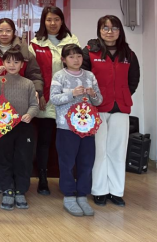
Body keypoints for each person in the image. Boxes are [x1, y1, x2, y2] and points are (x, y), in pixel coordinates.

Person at [0, 18, 43, 195]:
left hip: (20, 110)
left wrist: (36, 91)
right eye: (0, 31)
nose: (4, 34)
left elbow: (35, 74)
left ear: (14, 32)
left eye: (8, 31)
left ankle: (15, 185)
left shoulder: (25, 52)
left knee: (19, 152)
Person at [82, 15, 140, 207]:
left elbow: (133, 80)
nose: (109, 32)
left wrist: (122, 94)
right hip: (97, 108)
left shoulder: (129, 54)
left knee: (117, 151)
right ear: (99, 30)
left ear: (120, 31)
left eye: (114, 28)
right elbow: (82, 78)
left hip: (121, 108)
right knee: (99, 151)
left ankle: (116, 191)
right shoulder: (90, 52)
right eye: (105, 28)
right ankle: (99, 190)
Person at [29, 6, 80, 195]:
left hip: (69, 100)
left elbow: (78, 68)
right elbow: (32, 73)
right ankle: (42, 179)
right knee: (44, 141)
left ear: (62, 21)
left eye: (56, 19)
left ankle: (67, 179)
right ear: (43, 21)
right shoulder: (35, 44)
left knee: (67, 143)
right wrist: (39, 93)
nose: (53, 23)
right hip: (46, 99)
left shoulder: (72, 41)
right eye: (49, 19)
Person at [0, 50, 39, 211]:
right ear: (3, 63)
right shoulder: (0, 80)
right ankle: (7, 189)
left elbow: (34, 105)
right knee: (3, 158)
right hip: (3, 125)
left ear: (22, 65)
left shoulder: (28, 83)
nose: (12, 65)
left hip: (23, 126)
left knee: (23, 159)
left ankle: (20, 190)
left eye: (16, 62)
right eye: (8, 62)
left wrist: (30, 114)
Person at [50, 44, 103, 217]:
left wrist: (93, 95)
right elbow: (54, 99)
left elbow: (99, 101)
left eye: (79, 56)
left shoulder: (90, 76)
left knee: (86, 161)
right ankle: (69, 196)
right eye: (71, 57)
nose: (76, 60)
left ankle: (82, 195)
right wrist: (72, 94)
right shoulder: (59, 76)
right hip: (66, 127)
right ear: (64, 60)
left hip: (87, 127)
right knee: (67, 162)